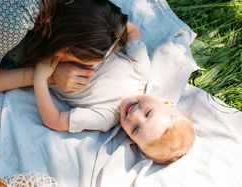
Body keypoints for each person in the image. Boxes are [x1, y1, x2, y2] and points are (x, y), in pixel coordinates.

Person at [33, 20, 195, 164]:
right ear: (165, 102)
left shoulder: (106, 117)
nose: (133, 115)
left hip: (44, 62)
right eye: (148, 113)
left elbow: (56, 121)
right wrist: (113, 35)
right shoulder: (140, 71)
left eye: (135, 129)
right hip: (72, 30)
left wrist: (40, 78)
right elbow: (131, 31)